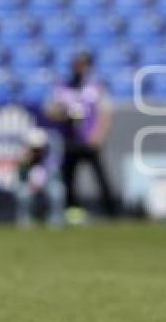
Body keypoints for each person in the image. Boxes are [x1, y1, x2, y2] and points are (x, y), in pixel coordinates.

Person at [45, 51, 118, 219]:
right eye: (77, 65)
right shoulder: (62, 88)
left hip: (89, 140)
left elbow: (105, 113)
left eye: (82, 65)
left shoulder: (95, 88)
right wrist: (63, 113)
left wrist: (97, 135)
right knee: (69, 178)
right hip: (70, 140)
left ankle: (111, 211)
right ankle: (72, 210)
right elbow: (50, 111)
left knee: (101, 177)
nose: (79, 69)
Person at [14, 127, 65, 227]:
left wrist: (41, 183)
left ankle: (56, 219)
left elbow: (54, 174)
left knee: (57, 191)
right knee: (23, 193)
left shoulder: (50, 155)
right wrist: (26, 161)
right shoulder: (24, 157)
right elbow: (21, 176)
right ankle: (24, 219)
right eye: (34, 148)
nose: (36, 150)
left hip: (48, 183)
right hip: (28, 184)